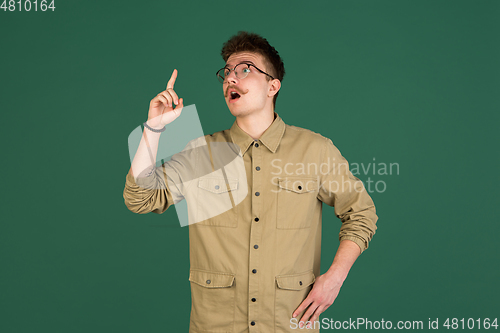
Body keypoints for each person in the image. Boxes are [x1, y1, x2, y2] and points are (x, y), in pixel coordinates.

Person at [123, 31, 378, 332]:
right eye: (227, 72)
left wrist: (334, 278)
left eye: (245, 69)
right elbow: (140, 198)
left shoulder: (315, 150)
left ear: (273, 86)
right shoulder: (201, 153)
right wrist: (154, 129)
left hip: (288, 324)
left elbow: (361, 214)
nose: (231, 78)